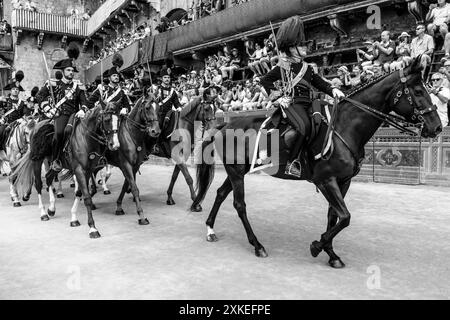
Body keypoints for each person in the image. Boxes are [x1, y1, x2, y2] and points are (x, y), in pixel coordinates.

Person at [259, 16, 345, 177]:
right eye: (300, 45)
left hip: (310, 103)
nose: (305, 47)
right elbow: (265, 80)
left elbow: (320, 84)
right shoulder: (283, 66)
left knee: (321, 122)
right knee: (303, 126)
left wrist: (333, 90)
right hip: (293, 104)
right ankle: (292, 162)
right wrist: (277, 99)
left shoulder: (308, 68)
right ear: (291, 48)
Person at [35, 43, 89, 172]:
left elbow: (85, 102)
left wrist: (83, 110)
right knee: (59, 133)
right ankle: (56, 159)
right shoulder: (53, 84)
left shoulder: (78, 86)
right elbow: (40, 96)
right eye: (69, 70)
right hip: (60, 115)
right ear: (63, 71)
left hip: (75, 116)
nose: (71, 73)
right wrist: (48, 108)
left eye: (72, 71)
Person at [0, 71, 27, 137]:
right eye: (13, 89)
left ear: (19, 91)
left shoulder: (22, 103)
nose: (15, 90)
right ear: (11, 91)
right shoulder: (4, 101)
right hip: (6, 124)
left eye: (17, 89)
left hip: (18, 124)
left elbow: (24, 115)